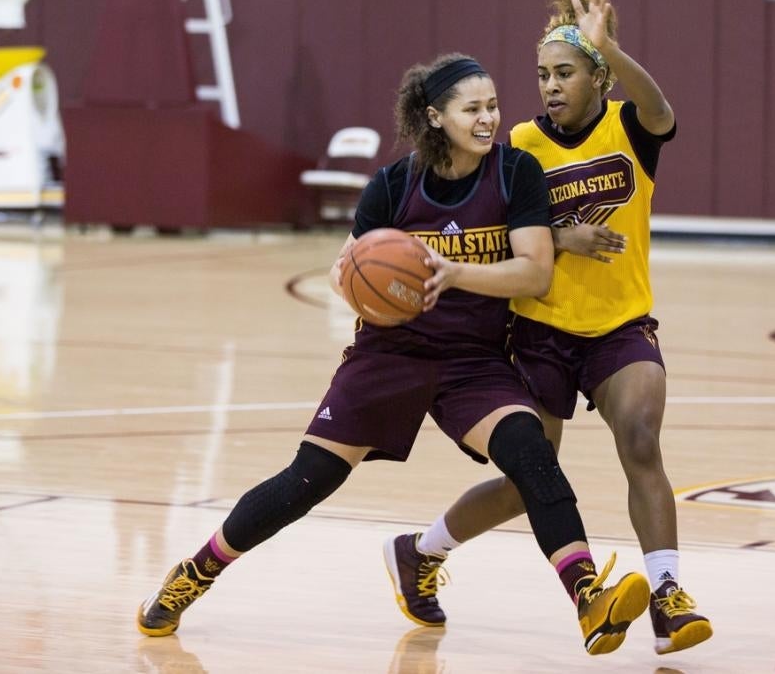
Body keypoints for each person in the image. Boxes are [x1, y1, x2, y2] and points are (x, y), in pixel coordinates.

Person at [136, 53, 650, 657]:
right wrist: (379, 287)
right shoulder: (393, 185)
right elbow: (340, 270)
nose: (488, 119)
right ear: (435, 117)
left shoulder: (516, 173)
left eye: (492, 107)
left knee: (531, 452)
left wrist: (453, 273)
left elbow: (535, 273)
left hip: (473, 359)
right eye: (472, 109)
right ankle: (193, 574)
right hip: (390, 351)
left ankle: (588, 596)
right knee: (307, 480)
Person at [385, 0, 713, 656]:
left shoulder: (629, 126)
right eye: (542, 75)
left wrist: (609, 47)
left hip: (621, 327)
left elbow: (662, 109)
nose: (551, 86)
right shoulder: (522, 145)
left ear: (598, 76)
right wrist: (561, 238)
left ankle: (668, 597)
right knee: (526, 484)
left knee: (643, 438)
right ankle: (420, 551)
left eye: (565, 72)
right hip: (538, 330)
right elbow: (487, 227)